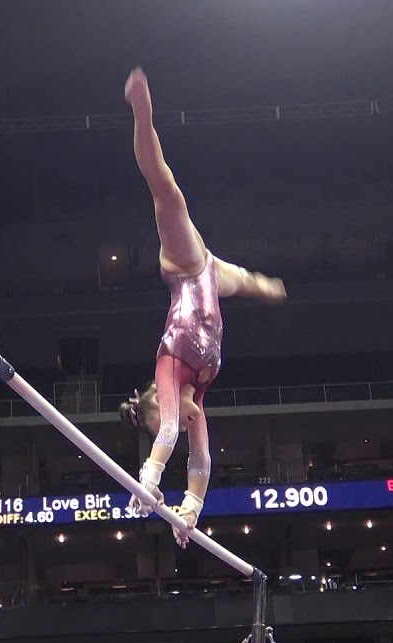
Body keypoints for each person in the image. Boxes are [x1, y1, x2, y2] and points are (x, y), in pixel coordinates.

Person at [118, 66, 287, 548]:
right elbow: (201, 459)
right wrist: (189, 512)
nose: (190, 420)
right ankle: (261, 285)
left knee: (165, 190)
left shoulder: (170, 372)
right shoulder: (201, 394)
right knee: (248, 283)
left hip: (187, 268)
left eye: (163, 419)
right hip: (212, 276)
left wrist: (148, 480)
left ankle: (142, 111)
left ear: (159, 398)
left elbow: (170, 429)